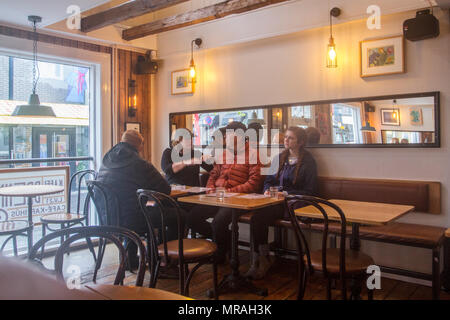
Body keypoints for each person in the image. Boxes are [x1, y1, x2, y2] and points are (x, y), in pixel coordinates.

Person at [245, 126, 318, 280]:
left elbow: (310, 191)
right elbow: (268, 181)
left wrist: (285, 194)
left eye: (290, 138)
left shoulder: (309, 161)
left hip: (293, 203)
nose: (286, 140)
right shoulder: (279, 158)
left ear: (300, 142)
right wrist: (266, 191)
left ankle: (262, 259)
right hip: (274, 201)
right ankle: (260, 258)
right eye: (285, 137)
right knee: (256, 216)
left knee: (259, 217)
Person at [96, 130, 174, 269]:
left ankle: (130, 260)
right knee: (178, 216)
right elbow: (165, 189)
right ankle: (161, 261)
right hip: (131, 219)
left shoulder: (105, 161)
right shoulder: (140, 163)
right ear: (139, 145)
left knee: (133, 208)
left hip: (106, 217)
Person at [186, 122, 264, 260]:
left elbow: (254, 184)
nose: (225, 138)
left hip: (239, 200)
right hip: (217, 196)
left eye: (228, 134)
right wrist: (210, 189)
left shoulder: (254, 154)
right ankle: (227, 240)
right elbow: (213, 174)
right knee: (192, 218)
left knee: (218, 222)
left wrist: (230, 192)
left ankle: (220, 254)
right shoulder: (223, 154)